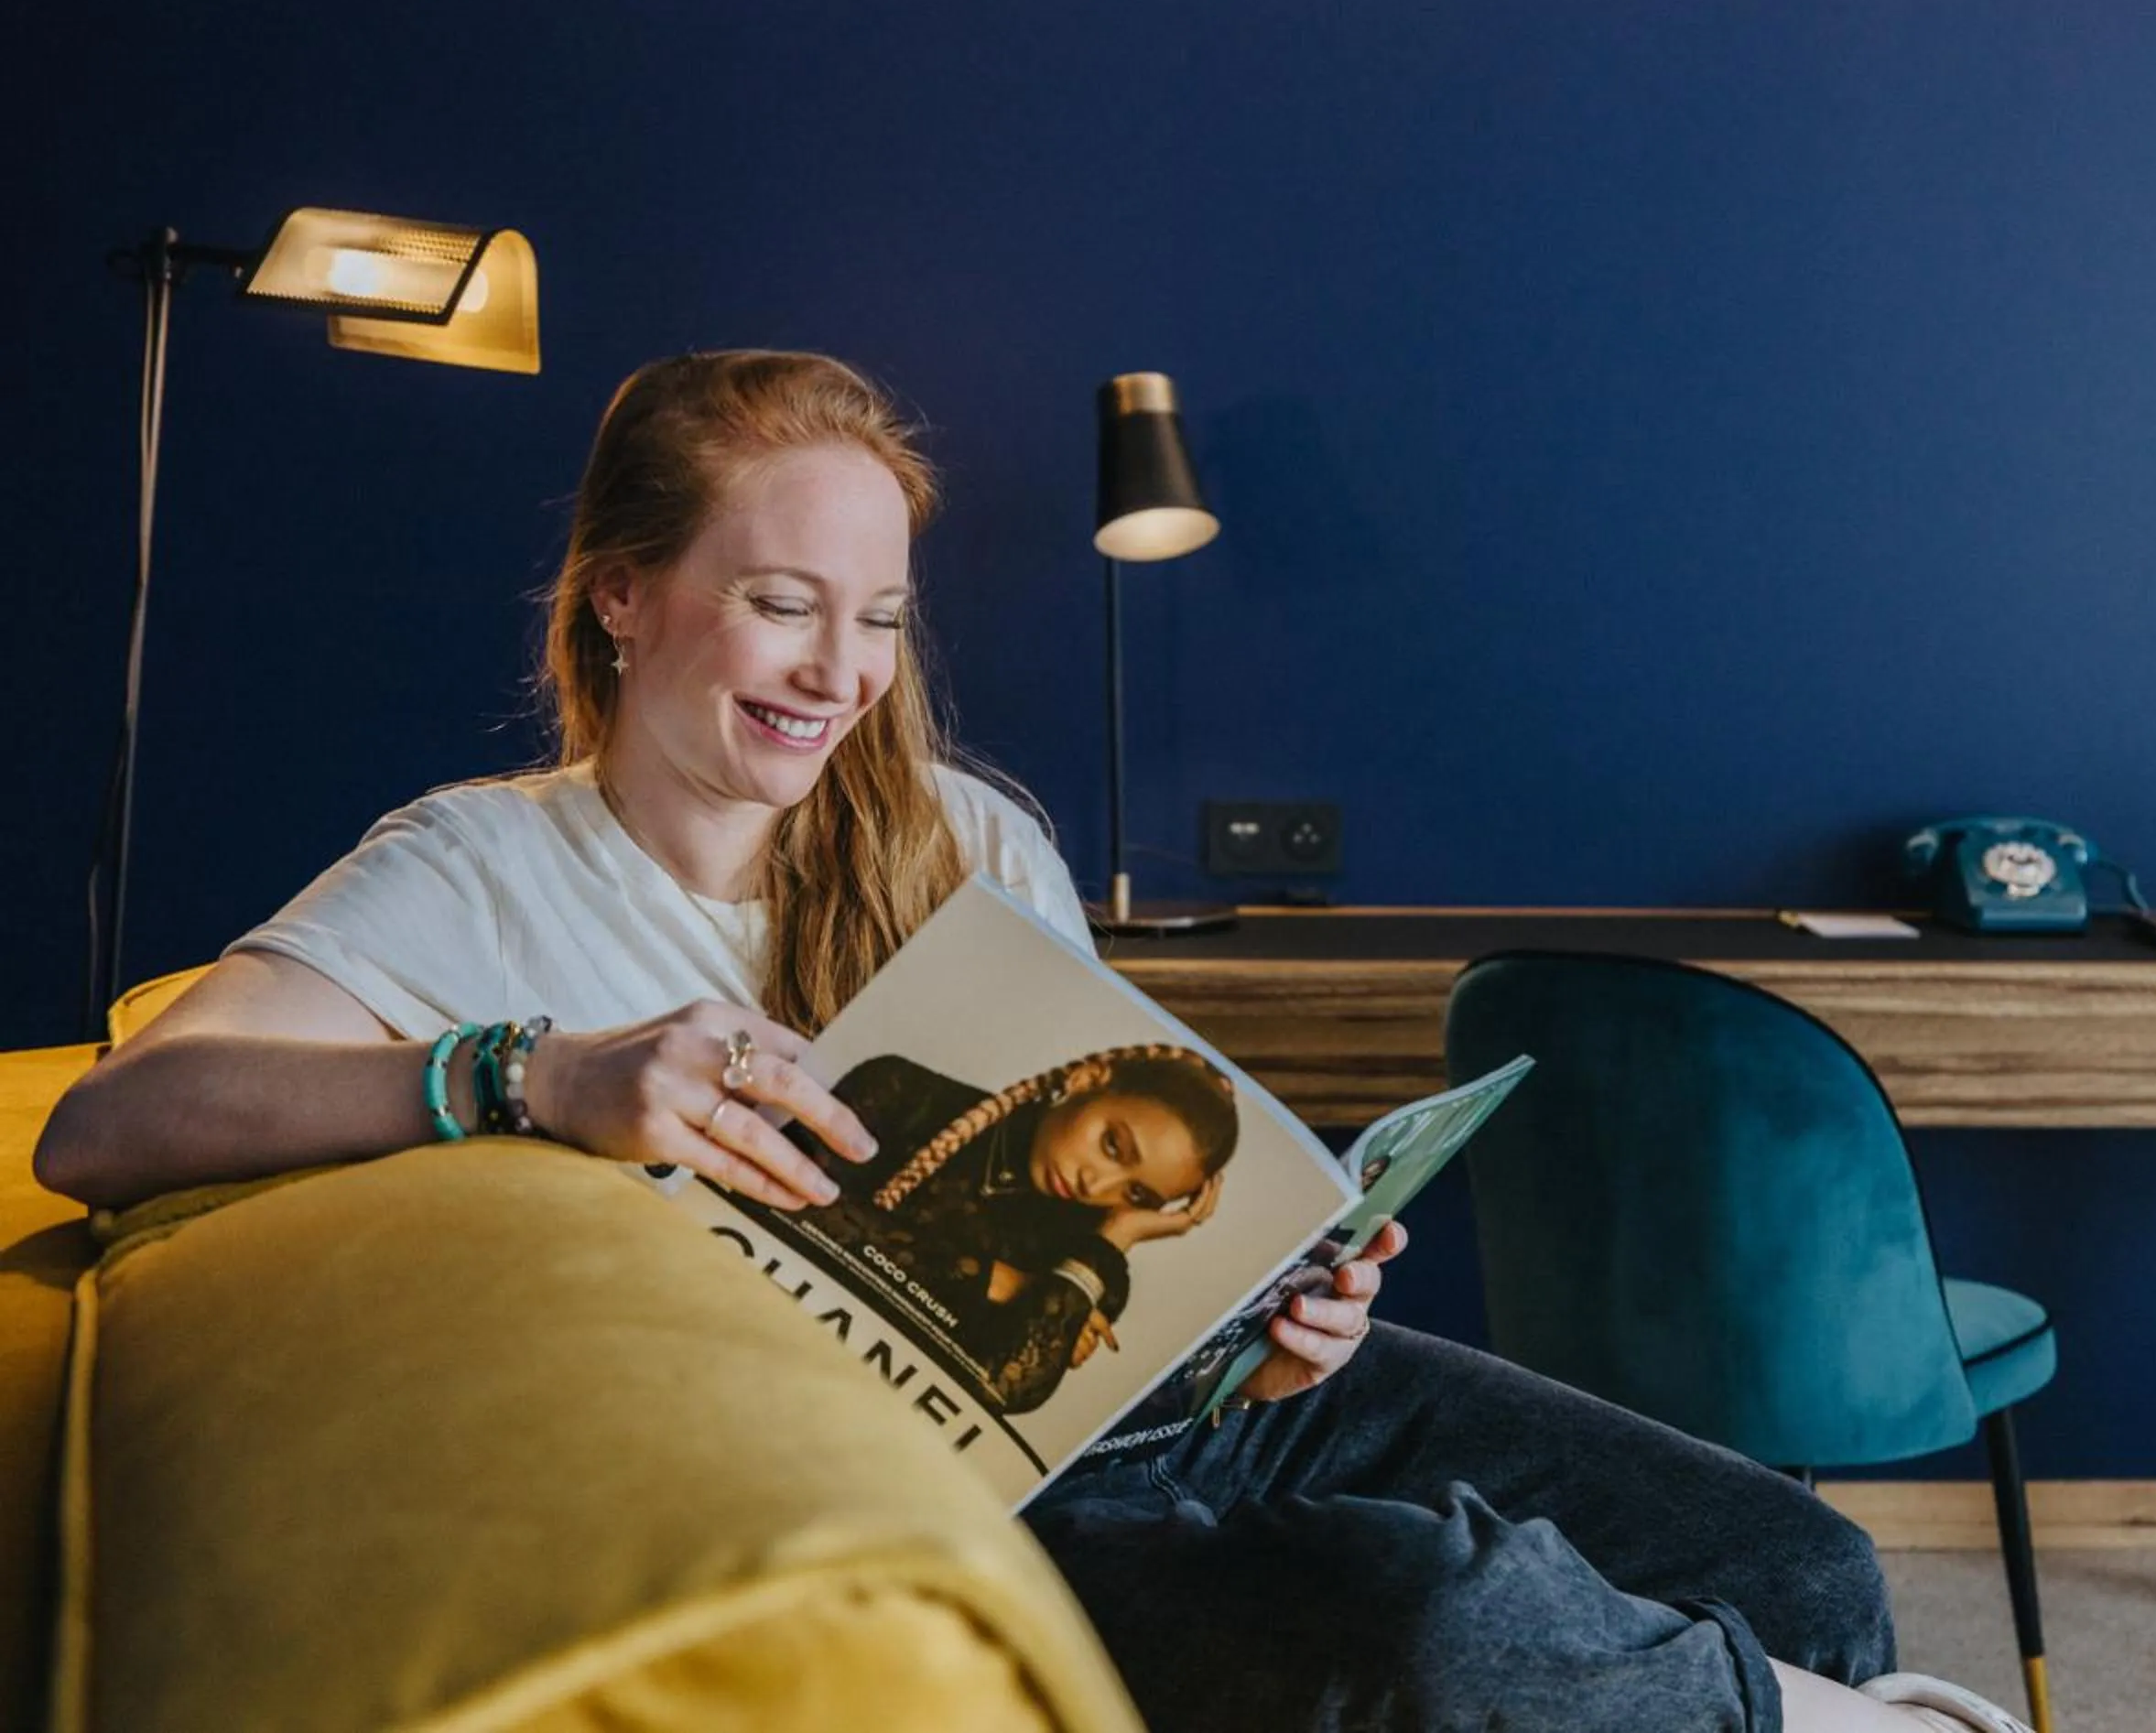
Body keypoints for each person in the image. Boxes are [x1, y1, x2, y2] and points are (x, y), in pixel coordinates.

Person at [36, 351, 2030, 1733]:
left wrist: (1269, 1303)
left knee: (1785, 1554)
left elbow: (1129, 1193)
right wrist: (526, 1072)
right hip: (962, 1485)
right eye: (782, 603)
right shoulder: (478, 867)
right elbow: (114, 1121)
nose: (839, 673)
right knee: (1440, 1618)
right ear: (625, 601)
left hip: (1157, 1389)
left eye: (881, 616)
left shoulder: (967, 830)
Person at [797, 1045, 1237, 1410]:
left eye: (1137, 1195)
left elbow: (1001, 1388)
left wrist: (1117, 1237)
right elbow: (792, 1208)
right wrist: (1005, 1283)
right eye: (1112, 1145)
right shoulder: (904, 1094)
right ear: (1087, 1080)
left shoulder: (1091, 1265)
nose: (1097, 1184)